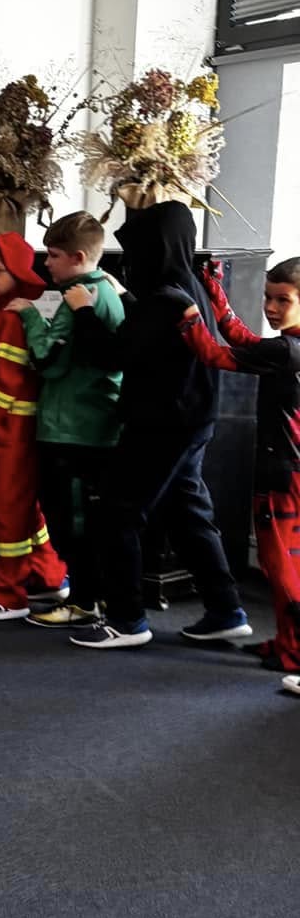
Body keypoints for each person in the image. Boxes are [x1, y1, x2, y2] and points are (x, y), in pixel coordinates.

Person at [67, 203, 252, 652]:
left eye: (137, 250)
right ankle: (226, 611)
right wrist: (128, 298)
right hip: (193, 418)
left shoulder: (162, 300)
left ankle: (127, 619)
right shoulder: (188, 287)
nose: (131, 261)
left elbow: (114, 354)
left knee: (117, 513)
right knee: (188, 512)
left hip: (160, 423)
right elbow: (150, 335)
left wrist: (84, 310)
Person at [178, 254, 300, 689]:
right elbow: (243, 338)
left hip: (283, 473)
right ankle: (286, 641)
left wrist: (187, 314)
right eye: (268, 297)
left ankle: (295, 650)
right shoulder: (285, 347)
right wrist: (214, 291)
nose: (271, 307)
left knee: (281, 565)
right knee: (282, 562)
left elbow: (214, 353)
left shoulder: (286, 351)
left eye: (282, 300)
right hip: (287, 469)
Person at [15, 212, 125, 630]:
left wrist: (29, 316)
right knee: (82, 519)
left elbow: (48, 361)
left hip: (73, 428)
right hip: (93, 423)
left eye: (53, 255)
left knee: (70, 521)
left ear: (79, 257)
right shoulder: (106, 289)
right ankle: (89, 596)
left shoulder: (77, 297)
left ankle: (83, 602)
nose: (46, 263)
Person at [0, 232, 69, 622]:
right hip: (19, 425)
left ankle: (9, 594)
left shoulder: (11, 316)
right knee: (26, 505)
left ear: (18, 272)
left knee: (7, 506)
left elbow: (6, 380)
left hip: (12, 426)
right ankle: (50, 575)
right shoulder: (6, 309)